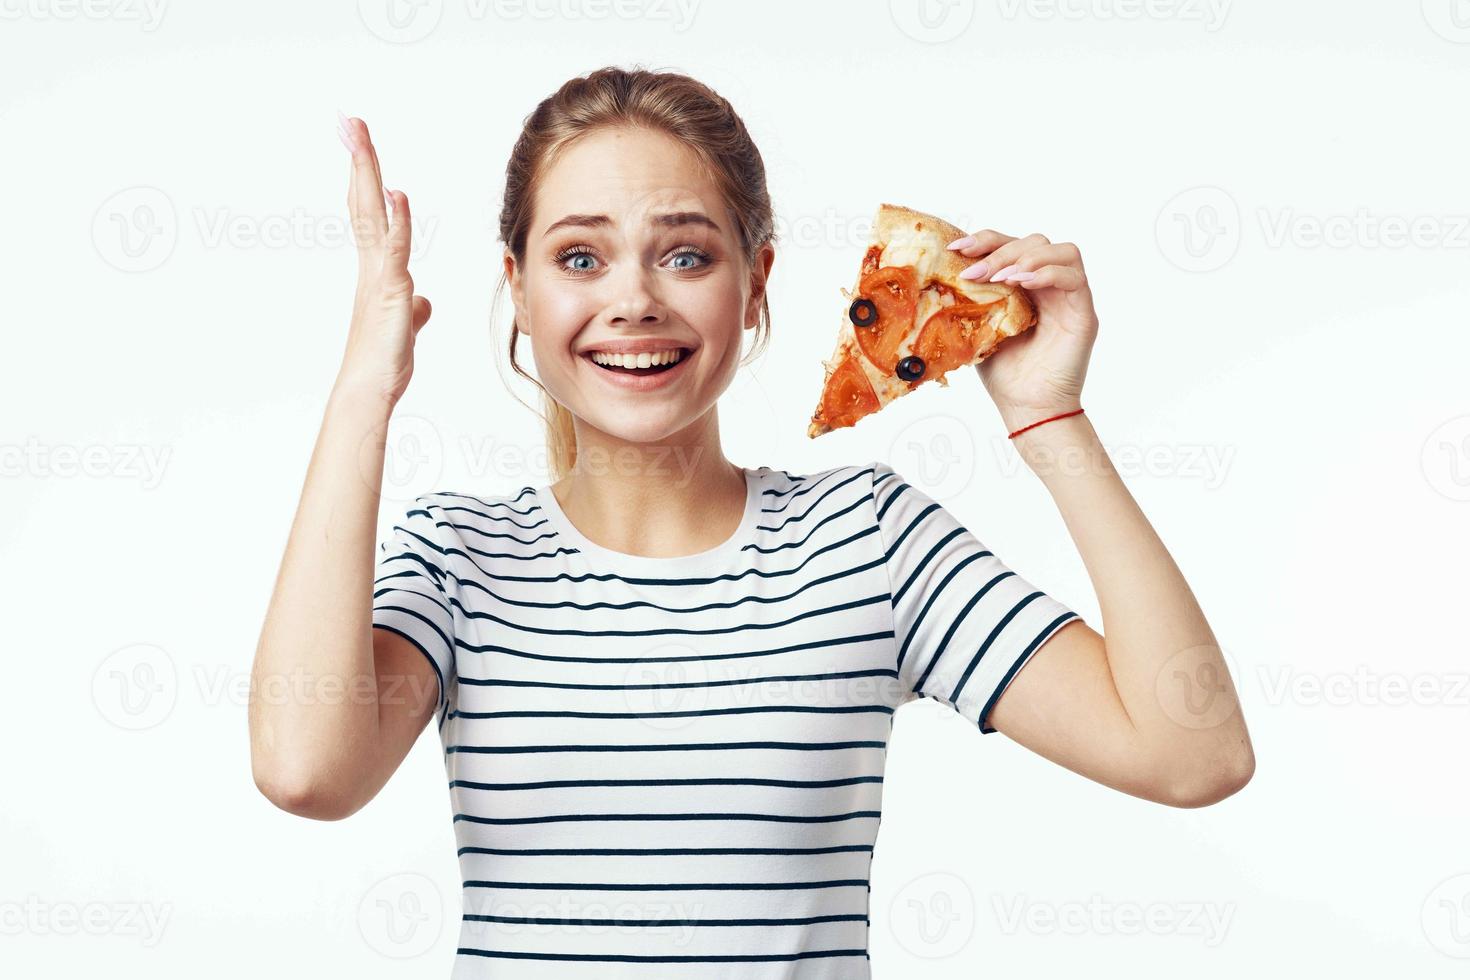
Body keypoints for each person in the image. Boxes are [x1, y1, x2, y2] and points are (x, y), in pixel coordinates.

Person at [249, 65, 1254, 977]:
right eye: (580, 257)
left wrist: (1050, 420)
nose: (634, 299)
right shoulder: (462, 557)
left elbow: (1192, 751)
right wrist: (361, 392)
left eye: (684, 254)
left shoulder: (866, 541)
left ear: (755, 280)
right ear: (517, 287)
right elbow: (304, 769)